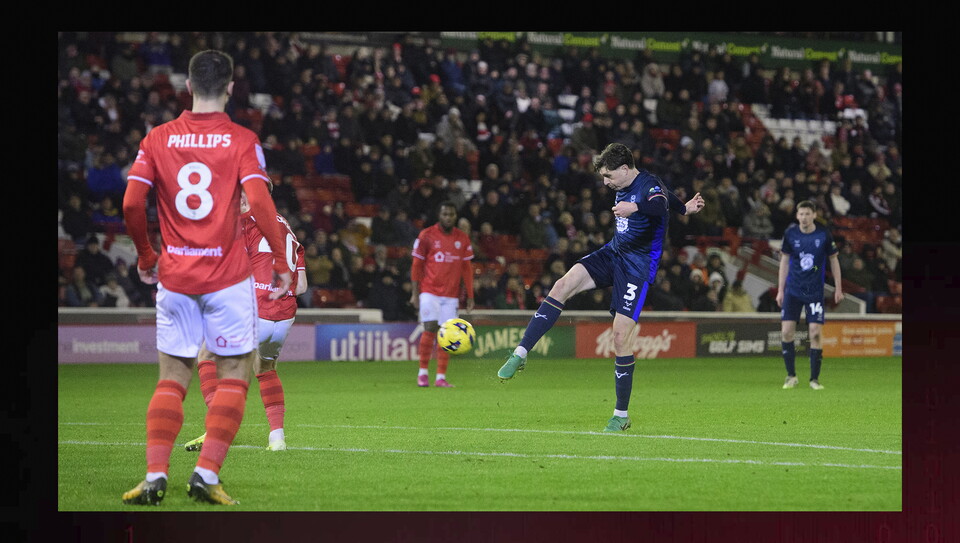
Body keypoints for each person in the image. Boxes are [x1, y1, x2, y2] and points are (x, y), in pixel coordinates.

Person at [121, 49, 292, 506]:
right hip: (228, 279)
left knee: (172, 379)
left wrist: (145, 255)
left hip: (175, 277)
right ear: (232, 87)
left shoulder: (157, 138)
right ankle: (205, 475)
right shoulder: (242, 140)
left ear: (189, 86)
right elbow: (259, 202)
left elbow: (131, 204)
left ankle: (155, 476)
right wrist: (280, 260)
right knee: (236, 374)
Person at [497, 143, 704, 432]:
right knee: (562, 284)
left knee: (620, 337)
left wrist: (637, 207)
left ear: (624, 168)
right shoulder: (633, 184)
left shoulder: (647, 185)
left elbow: (658, 203)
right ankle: (520, 353)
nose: (605, 183)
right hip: (613, 253)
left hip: (638, 266)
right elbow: (669, 198)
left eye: (608, 176)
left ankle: (621, 415)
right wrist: (685, 208)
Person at [183, 184, 308, 454]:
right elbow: (301, 285)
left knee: (206, 356)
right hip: (284, 316)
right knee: (265, 369)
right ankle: (277, 439)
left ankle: (218, 429)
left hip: (258, 308)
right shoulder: (286, 226)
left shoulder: (244, 223)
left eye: (244, 193)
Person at [776, 200, 843, 391]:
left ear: (814, 215)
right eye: (801, 214)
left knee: (814, 333)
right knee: (787, 332)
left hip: (814, 292)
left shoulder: (823, 234)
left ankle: (814, 379)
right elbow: (785, 261)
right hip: (793, 291)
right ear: (797, 216)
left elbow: (834, 260)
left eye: (807, 214)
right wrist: (781, 289)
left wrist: (838, 288)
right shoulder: (791, 234)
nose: (804, 217)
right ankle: (791, 376)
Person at [409, 201, 475, 388]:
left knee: (447, 333)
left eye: (451, 214)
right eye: (445, 214)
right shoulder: (426, 236)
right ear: (439, 215)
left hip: (451, 296)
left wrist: (470, 295)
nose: (448, 217)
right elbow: (416, 266)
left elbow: (466, 269)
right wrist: (415, 294)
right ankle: (422, 373)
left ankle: (440, 377)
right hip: (429, 291)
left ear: (455, 216)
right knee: (430, 327)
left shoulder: (462, 238)